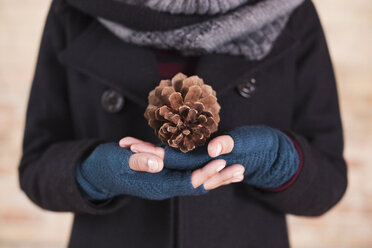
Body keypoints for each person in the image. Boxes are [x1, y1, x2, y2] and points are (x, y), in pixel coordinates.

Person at [19, 0, 348, 247]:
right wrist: (94, 173)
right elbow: (36, 168)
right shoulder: (74, 9)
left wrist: (277, 158)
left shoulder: (291, 10)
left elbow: (329, 182)